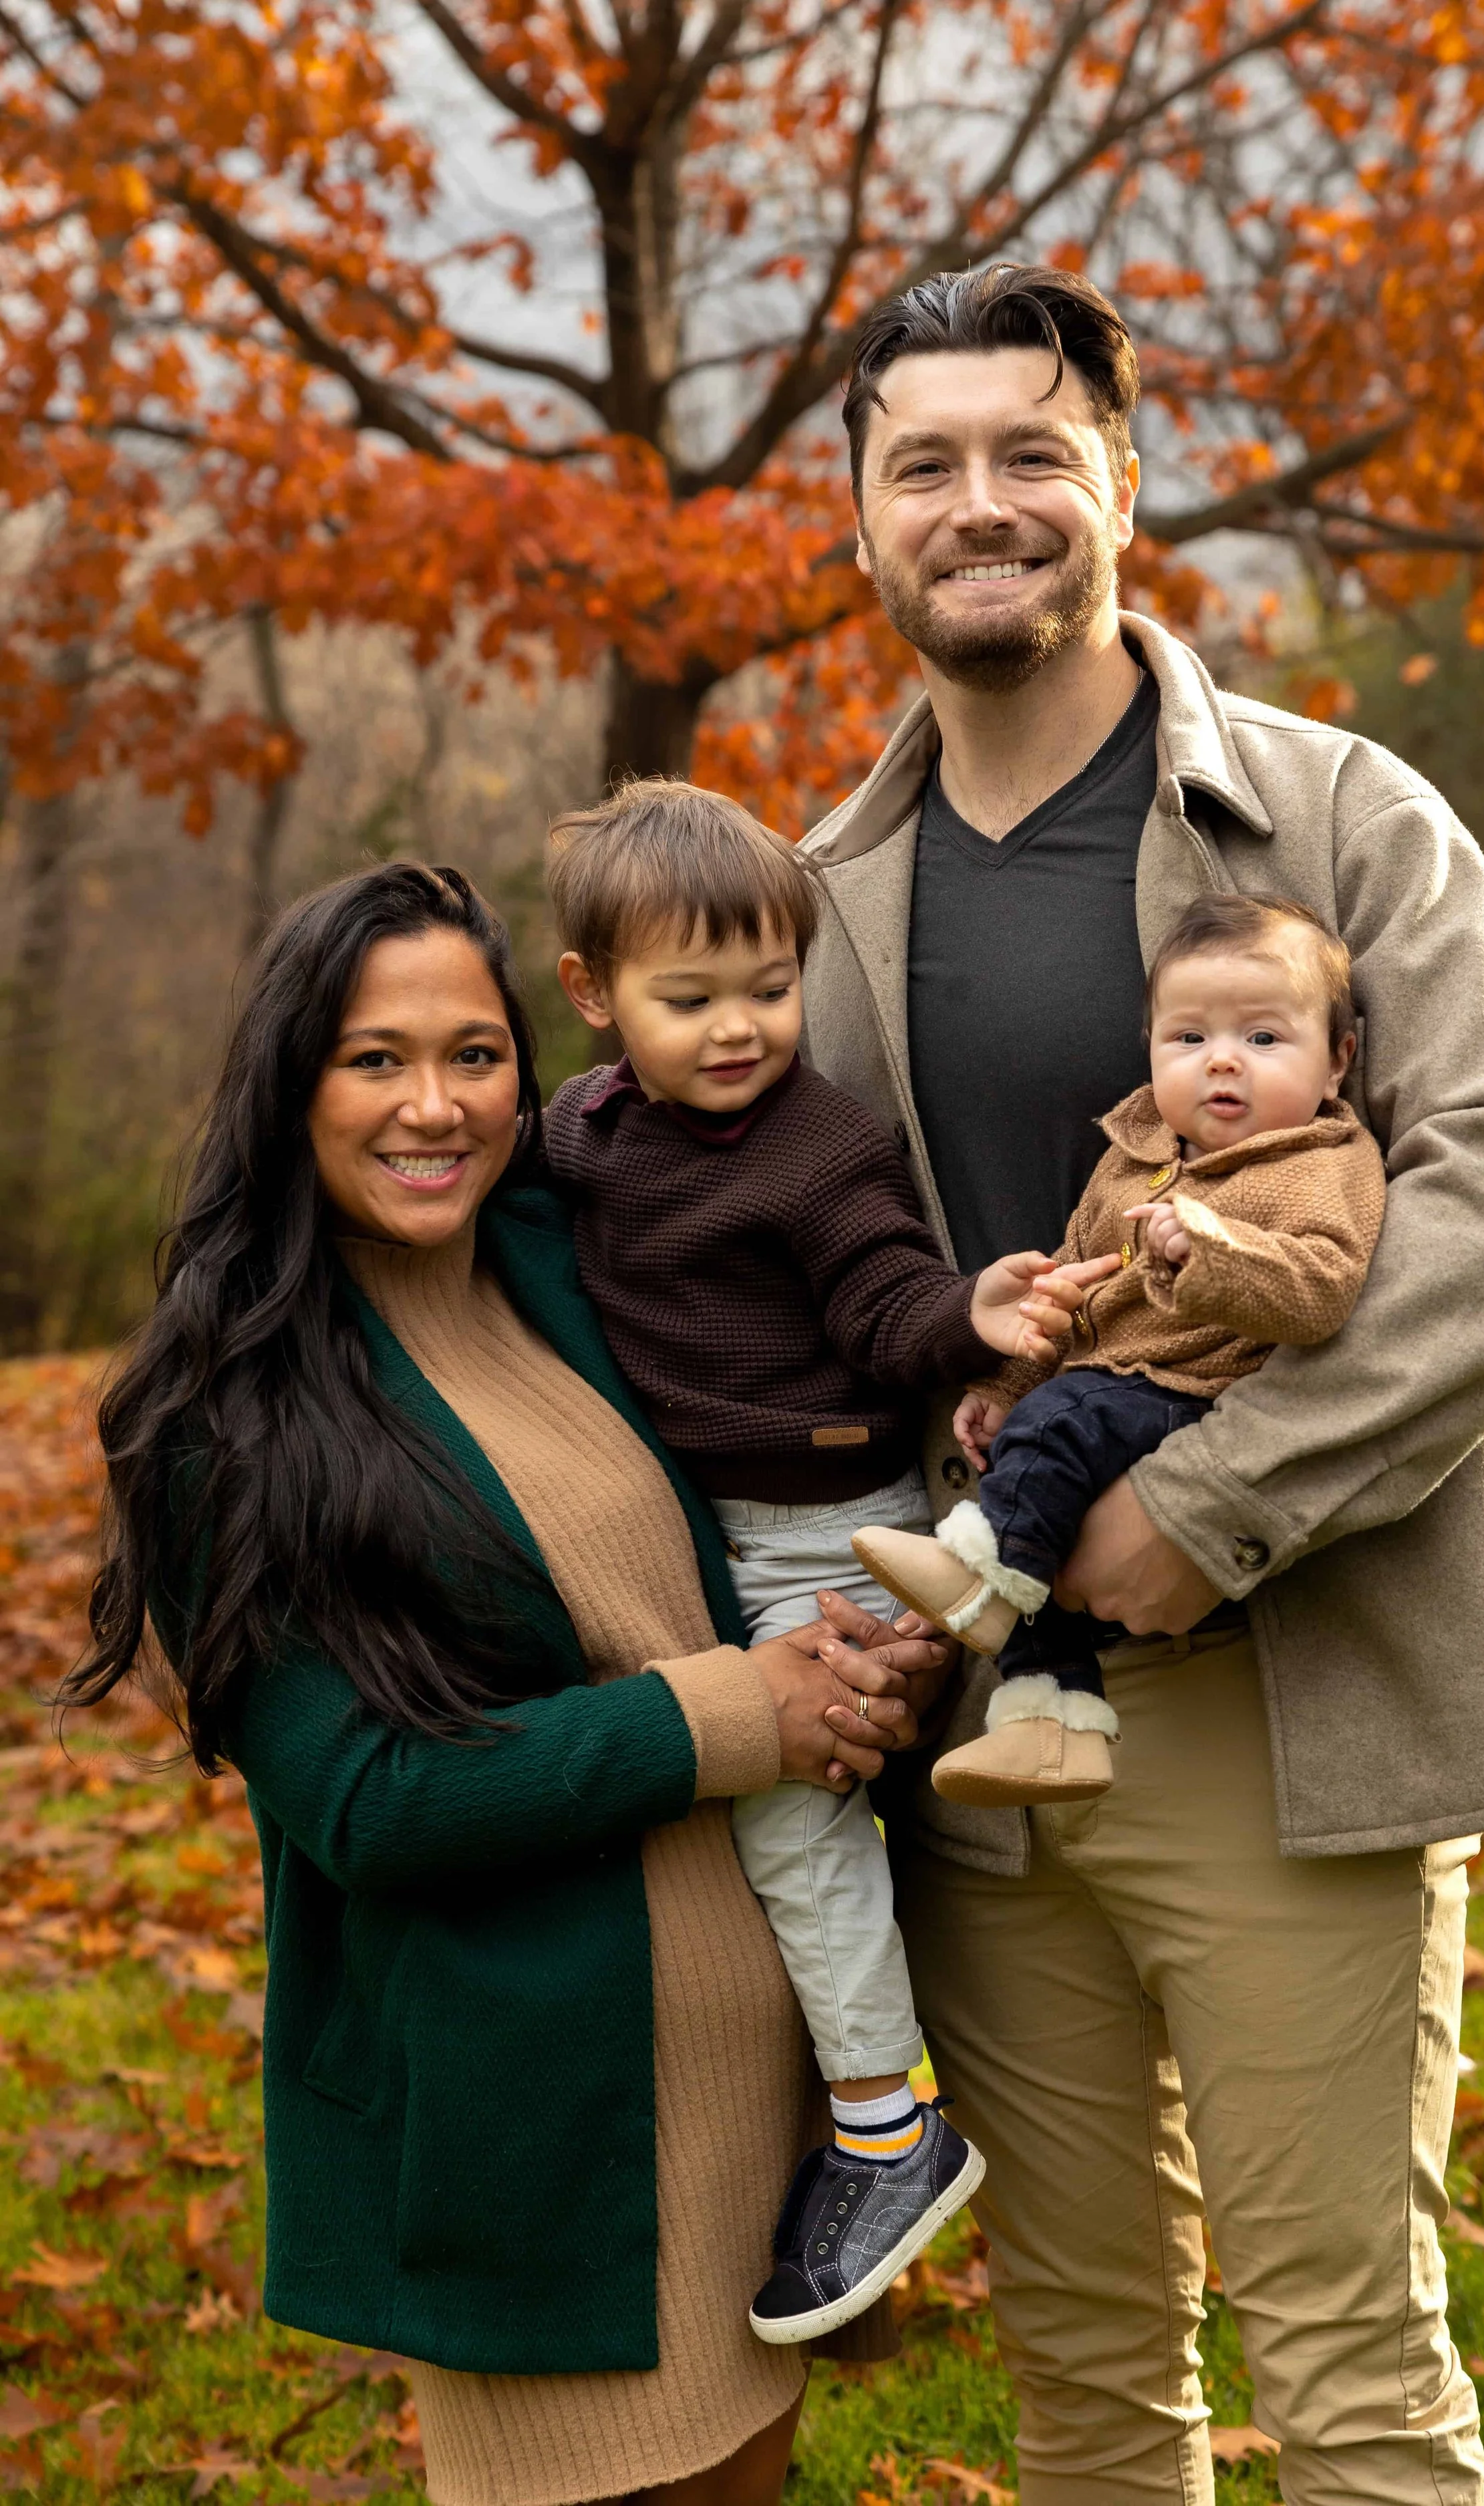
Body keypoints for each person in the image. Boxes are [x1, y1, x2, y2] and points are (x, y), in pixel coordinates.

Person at [800, 260, 1484, 2502]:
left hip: (1289, 1701)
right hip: (980, 1747)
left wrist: (1211, 1501)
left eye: (1032, 451)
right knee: (1082, 2376)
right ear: (860, 517)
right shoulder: (821, 895)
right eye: (923, 463)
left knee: (1348, 2370)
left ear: (1126, 488)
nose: (980, 502)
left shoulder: (1337, 818)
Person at [62, 862, 953, 2506]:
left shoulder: (565, 1265)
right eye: (375, 1059)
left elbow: (732, 1540)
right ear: (290, 1085)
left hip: (750, 2089)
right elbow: (370, 1803)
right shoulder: (226, 1421)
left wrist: (846, 1673)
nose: (435, 1107)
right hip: (541, 2129)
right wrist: (733, 1715)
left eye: (474, 1055)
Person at [543, 779, 1115, 2341]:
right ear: (593, 995)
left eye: (770, 987)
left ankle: (883, 2125)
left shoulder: (817, 1148)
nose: (739, 1028)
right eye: (690, 999)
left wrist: (967, 1315)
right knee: (723, 1833)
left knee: (793, 1824)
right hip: (691, 1532)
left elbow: (880, 1295)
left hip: (821, 1532)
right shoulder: (582, 1134)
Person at [856, 890, 1385, 1806]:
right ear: (1150, 1047)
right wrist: (1010, 1380)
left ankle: (978, 1579)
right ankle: (1051, 1724)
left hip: (1199, 1392)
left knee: (1058, 1432)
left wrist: (1210, 1250)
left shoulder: (1322, 1163)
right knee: (1041, 1493)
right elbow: (1077, 1282)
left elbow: (1322, 1289)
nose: (1222, 1059)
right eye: (1189, 1037)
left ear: (1337, 1060)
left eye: (1264, 1038)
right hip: (1109, 1385)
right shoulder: (1133, 1154)